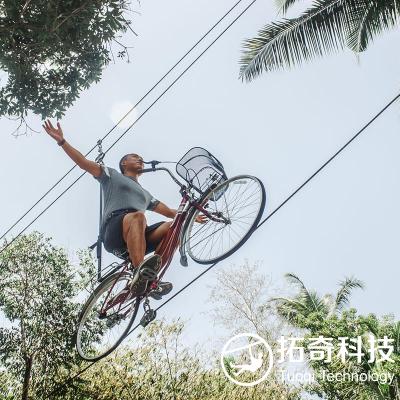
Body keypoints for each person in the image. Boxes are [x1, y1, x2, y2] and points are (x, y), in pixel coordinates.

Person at [43, 120, 204, 299]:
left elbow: (170, 212)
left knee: (175, 227)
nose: (140, 159)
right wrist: (62, 141)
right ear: (124, 163)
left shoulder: (146, 194)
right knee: (138, 217)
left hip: (137, 235)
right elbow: (83, 163)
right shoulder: (111, 175)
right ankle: (139, 272)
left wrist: (193, 215)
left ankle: (149, 278)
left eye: (140, 158)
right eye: (135, 157)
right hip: (115, 231)